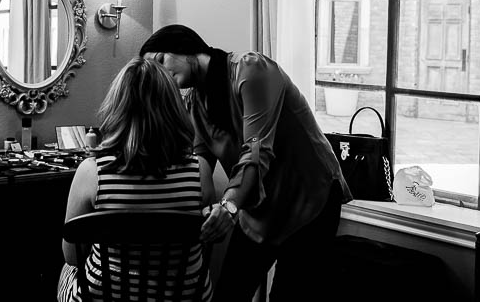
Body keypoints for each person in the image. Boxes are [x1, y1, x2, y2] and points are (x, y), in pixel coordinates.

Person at [140, 24, 352, 301]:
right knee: (228, 292)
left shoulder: (251, 69)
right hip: (257, 208)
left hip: (308, 199)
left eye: (161, 60)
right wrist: (192, 204)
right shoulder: (194, 101)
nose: (162, 72)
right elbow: (201, 159)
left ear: (186, 47)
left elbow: (256, 151)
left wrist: (227, 207)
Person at [58, 57, 215, 302]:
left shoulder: (92, 172)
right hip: (182, 296)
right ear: (174, 108)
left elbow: (71, 255)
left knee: (67, 269)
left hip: (107, 296)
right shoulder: (200, 171)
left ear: (117, 107)